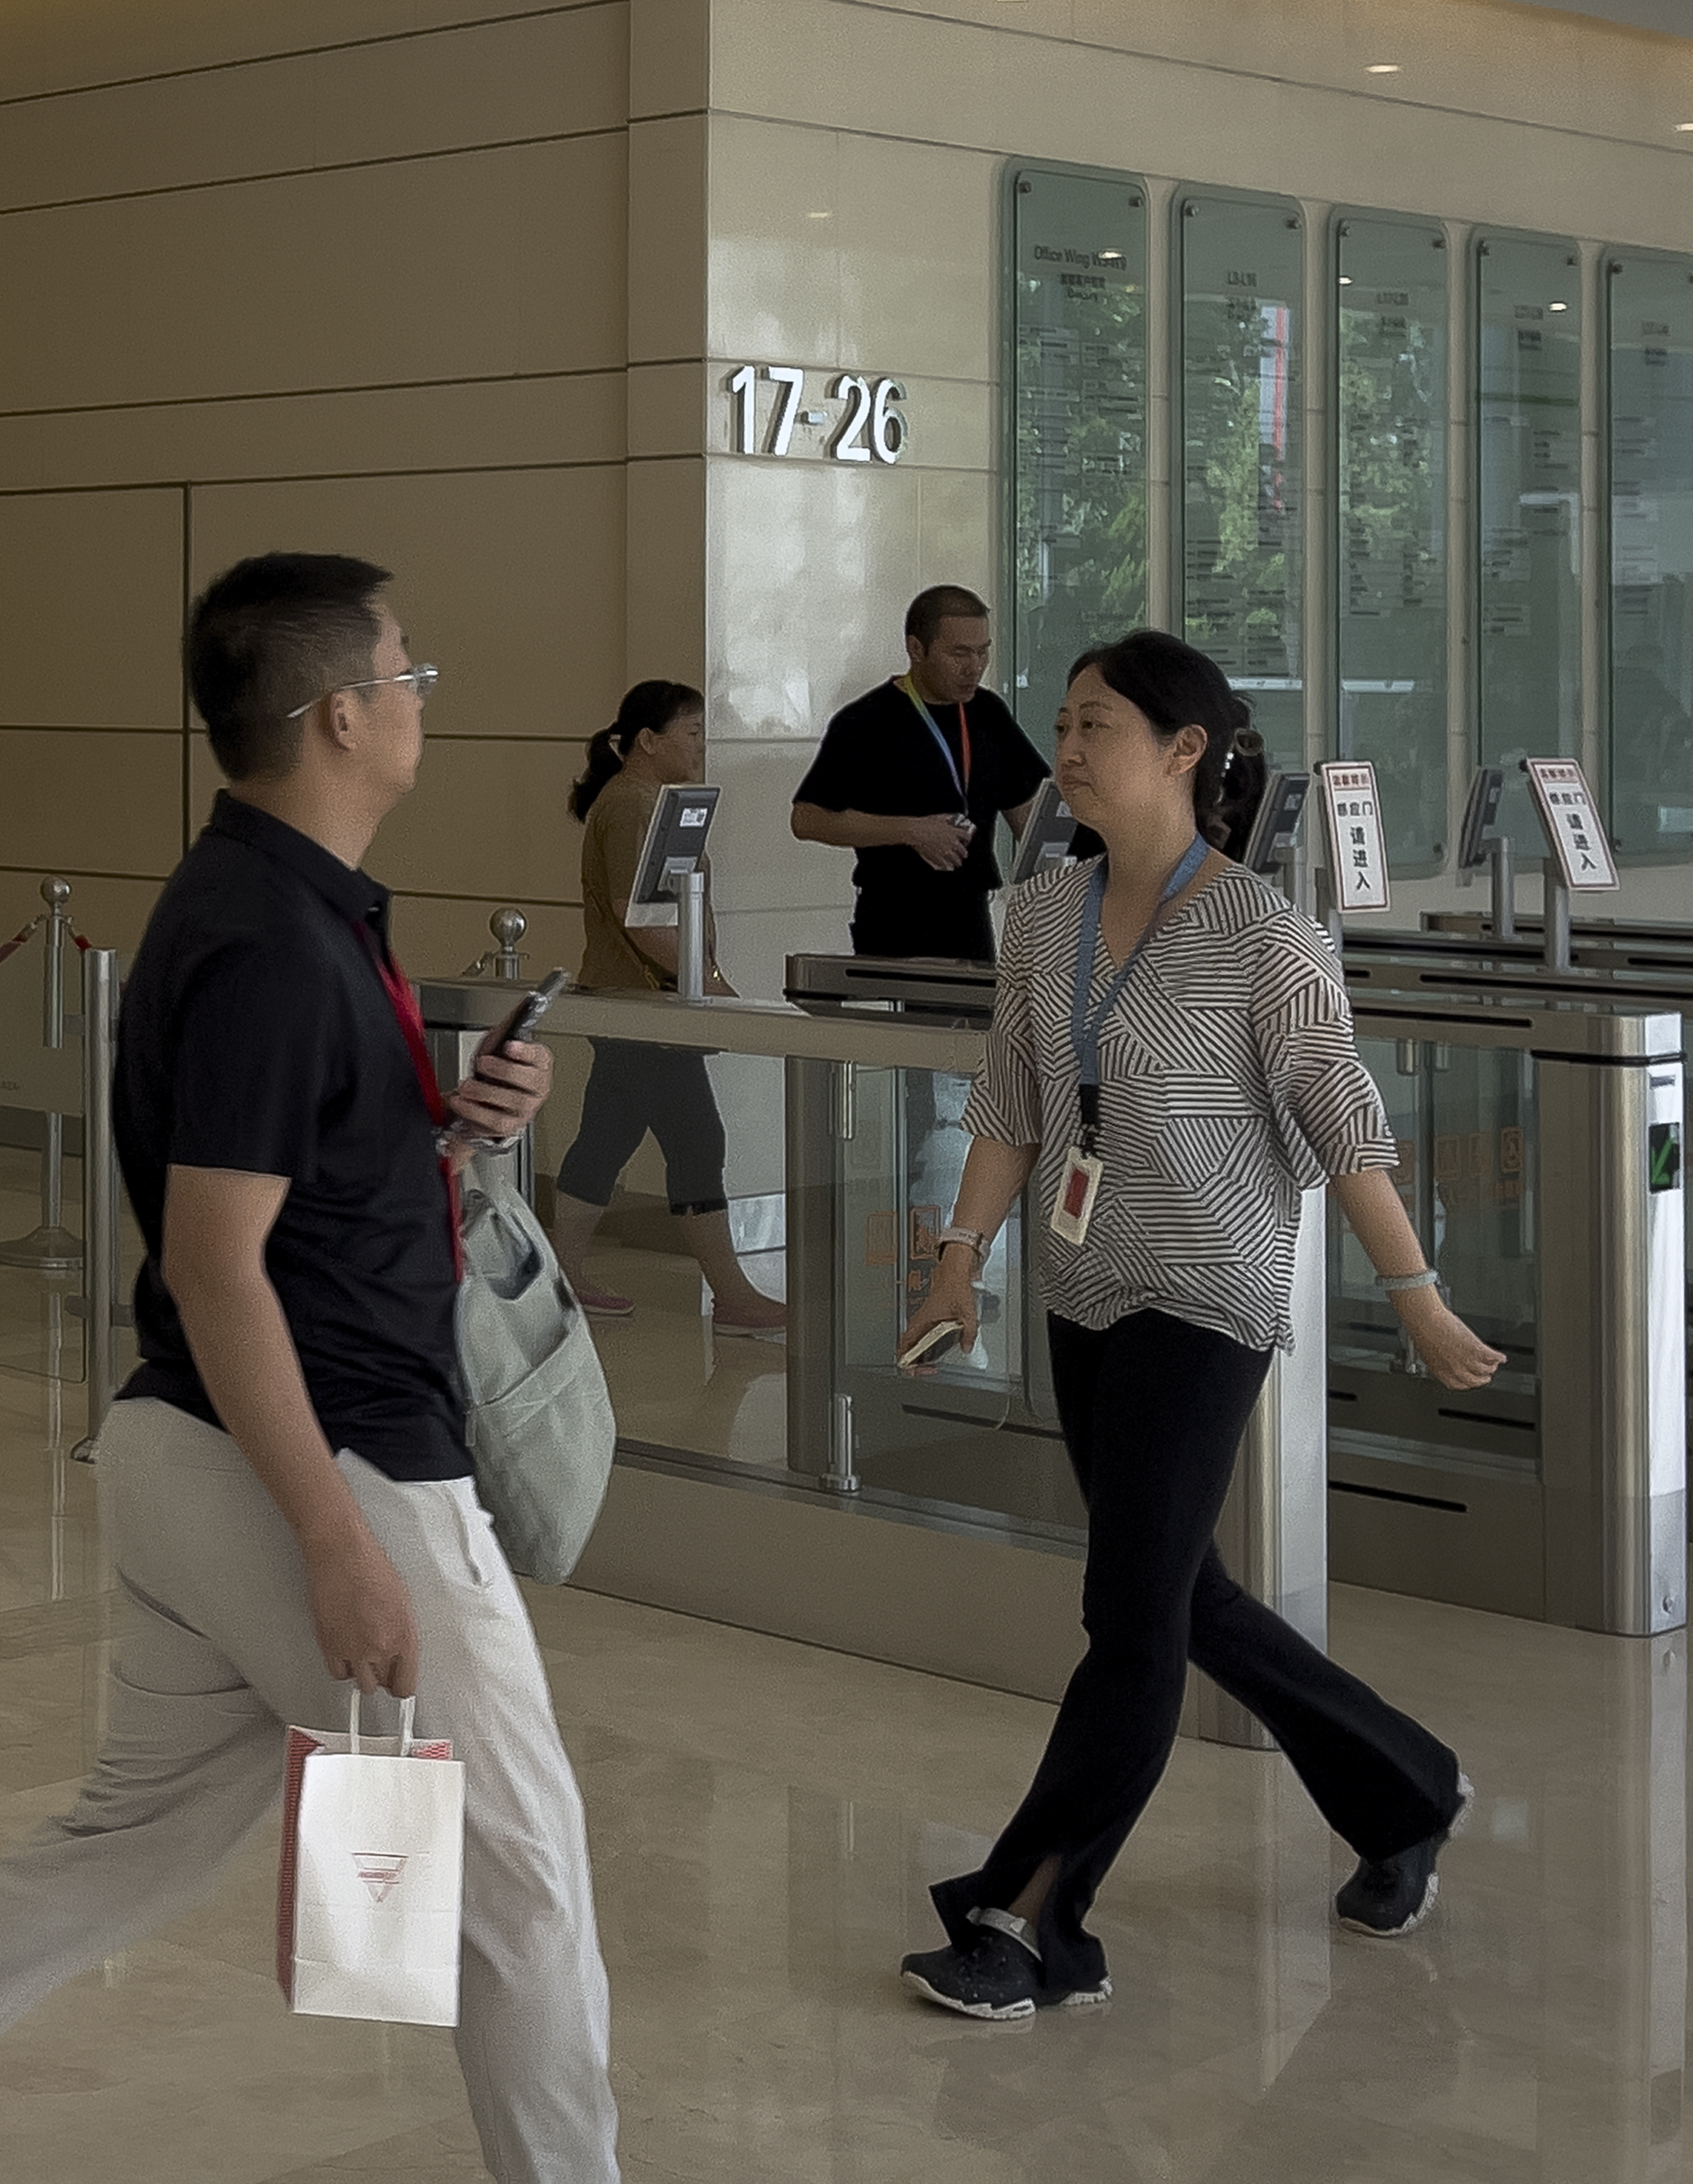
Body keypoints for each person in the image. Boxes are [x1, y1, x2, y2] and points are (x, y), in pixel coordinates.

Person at [0, 556, 829, 2184]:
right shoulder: (274, 941)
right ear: (338, 715)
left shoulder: (283, 910)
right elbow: (218, 1265)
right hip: (320, 1464)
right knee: (524, 1884)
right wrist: (337, 1547)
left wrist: (447, 1116)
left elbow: (283, 1201)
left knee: (118, 1844)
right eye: (407, 664)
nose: (424, 687)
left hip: (196, 1457)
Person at [889, 629, 1500, 2022]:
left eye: (1098, 722)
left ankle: (1032, 1917)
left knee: (1126, 1610)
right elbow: (1011, 1103)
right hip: (1084, 1285)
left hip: (1206, 1297)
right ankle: (1407, 1789)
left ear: (1183, 751)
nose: (1071, 744)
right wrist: (954, 1261)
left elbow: (1344, 1124)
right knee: (1178, 1596)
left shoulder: (1264, 935)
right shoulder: (1043, 913)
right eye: (1065, 721)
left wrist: (1413, 1292)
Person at [555, 681, 785, 1337]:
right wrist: (706, 982)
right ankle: (734, 1297)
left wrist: (705, 978)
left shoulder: (649, 802)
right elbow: (646, 919)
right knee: (696, 1139)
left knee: (606, 1139)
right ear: (649, 742)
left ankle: (560, 1276)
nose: (702, 745)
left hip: (639, 1002)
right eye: (691, 732)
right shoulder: (630, 807)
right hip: (643, 1007)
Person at [790, 584, 1050, 962]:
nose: (974, 667)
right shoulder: (867, 722)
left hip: (971, 914)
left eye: (983, 651)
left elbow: (1027, 815)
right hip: (896, 917)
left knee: (974, 1017)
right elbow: (807, 819)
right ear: (916, 649)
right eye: (959, 653)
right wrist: (911, 831)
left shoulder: (988, 713)